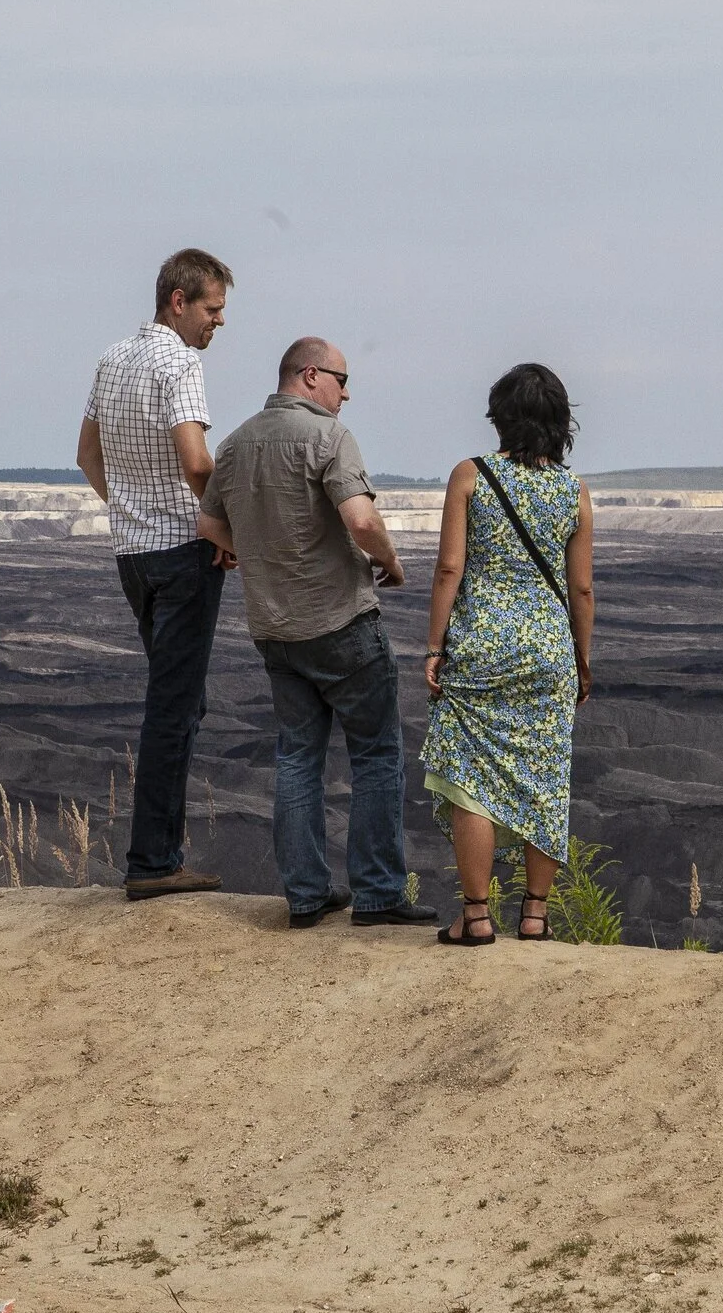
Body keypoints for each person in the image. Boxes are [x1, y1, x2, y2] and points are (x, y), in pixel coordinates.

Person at [195, 337, 435, 930]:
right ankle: (377, 893)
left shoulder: (234, 443)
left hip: (276, 630)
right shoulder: (329, 437)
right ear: (309, 376)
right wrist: (393, 562)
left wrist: (246, 550)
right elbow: (360, 518)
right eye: (341, 379)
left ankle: (306, 894)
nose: (346, 392)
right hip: (341, 623)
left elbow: (207, 522)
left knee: (298, 757)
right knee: (377, 754)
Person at [420, 364, 597, 946]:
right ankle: (536, 916)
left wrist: (434, 646)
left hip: (480, 649)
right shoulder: (575, 492)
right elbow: (582, 589)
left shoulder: (470, 476)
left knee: (472, 779)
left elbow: (449, 568)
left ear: (500, 416)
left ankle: (475, 917)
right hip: (548, 652)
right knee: (545, 777)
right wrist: (580, 659)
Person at [76, 248, 234, 901]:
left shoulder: (112, 358)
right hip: (181, 552)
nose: (218, 324)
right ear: (179, 301)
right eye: (212, 309)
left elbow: (87, 454)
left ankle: (160, 852)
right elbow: (197, 462)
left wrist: (128, 511)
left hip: (133, 556)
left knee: (182, 700)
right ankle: (153, 862)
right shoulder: (180, 362)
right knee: (171, 708)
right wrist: (227, 526)